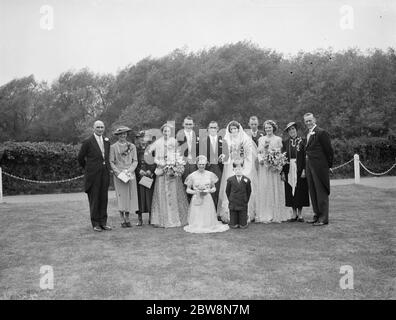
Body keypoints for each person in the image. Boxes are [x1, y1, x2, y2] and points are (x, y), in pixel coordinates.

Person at [148, 123, 189, 228]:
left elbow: (178, 155)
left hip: (172, 172)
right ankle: (163, 220)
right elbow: (156, 158)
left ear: (171, 132)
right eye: (165, 131)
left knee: (174, 194)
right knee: (162, 195)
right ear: (162, 132)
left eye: (169, 131)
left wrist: (175, 164)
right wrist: (163, 164)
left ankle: (175, 218)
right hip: (162, 172)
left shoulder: (174, 142)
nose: (167, 133)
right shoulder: (158, 143)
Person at [217, 121, 257, 223]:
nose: (233, 131)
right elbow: (225, 154)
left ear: (239, 129)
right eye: (231, 129)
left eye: (235, 128)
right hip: (231, 167)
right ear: (229, 130)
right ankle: (229, 214)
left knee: (243, 187)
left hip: (243, 166)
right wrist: (224, 157)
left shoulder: (245, 139)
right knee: (231, 187)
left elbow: (249, 154)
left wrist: (242, 162)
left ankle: (245, 214)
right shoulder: (227, 139)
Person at [77, 120, 112, 232]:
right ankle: (95, 223)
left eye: (102, 127)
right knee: (94, 199)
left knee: (103, 199)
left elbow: (106, 158)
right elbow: (80, 158)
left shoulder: (107, 141)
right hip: (93, 176)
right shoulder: (88, 141)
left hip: (104, 175)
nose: (100, 129)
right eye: (98, 127)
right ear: (94, 128)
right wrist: (89, 169)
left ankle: (103, 223)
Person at [256, 120, 291, 223]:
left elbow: (280, 154)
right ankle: (266, 213)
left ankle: (276, 213)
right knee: (266, 188)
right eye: (266, 128)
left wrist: (277, 162)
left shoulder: (278, 139)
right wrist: (262, 159)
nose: (268, 129)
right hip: (264, 168)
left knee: (274, 188)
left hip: (274, 168)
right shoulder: (261, 139)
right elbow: (259, 152)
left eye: (270, 127)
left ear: (273, 128)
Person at [184, 156, 229, 233]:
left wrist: (208, 190)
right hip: (197, 198)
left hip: (207, 198)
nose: (201, 166)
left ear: (205, 165)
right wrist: (196, 192)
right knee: (198, 214)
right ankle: (197, 225)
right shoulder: (192, 175)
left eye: (203, 164)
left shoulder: (210, 174)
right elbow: (187, 189)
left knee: (207, 214)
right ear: (197, 164)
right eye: (200, 164)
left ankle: (208, 224)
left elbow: (214, 188)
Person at [303, 113, 334, 226]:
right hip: (309, 166)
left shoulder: (321, 132)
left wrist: (329, 166)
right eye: (306, 121)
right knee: (313, 191)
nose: (308, 123)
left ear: (314, 120)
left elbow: (329, 151)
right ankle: (316, 215)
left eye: (310, 120)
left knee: (321, 192)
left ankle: (323, 218)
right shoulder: (307, 133)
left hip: (319, 167)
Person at [109, 126, 139, 228]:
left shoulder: (132, 146)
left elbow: (135, 161)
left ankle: (128, 217)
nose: (123, 135)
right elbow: (111, 162)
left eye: (125, 133)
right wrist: (119, 173)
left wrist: (129, 171)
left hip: (130, 174)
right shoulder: (113, 147)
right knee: (121, 196)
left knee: (129, 196)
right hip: (119, 175)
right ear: (117, 135)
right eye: (121, 134)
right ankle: (122, 218)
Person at [281, 122, 310, 222]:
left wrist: (304, 170)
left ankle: (300, 214)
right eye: (289, 130)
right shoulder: (285, 142)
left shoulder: (303, 141)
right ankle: (293, 214)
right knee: (290, 190)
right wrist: (283, 172)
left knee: (300, 190)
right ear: (288, 132)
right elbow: (282, 158)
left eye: (293, 129)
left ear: (296, 130)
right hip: (289, 169)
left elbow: (306, 157)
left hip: (299, 168)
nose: (292, 131)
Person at [203, 121, 224, 219]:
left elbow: (227, 155)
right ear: (208, 129)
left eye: (215, 127)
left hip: (219, 169)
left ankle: (218, 212)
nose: (213, 129)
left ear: (218, 129)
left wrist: (223, 158)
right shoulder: (203, 141)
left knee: (219, 190)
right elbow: (199, 156)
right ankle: (209, 213)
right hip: (207, 169)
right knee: (208, 190)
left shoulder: (223, 141)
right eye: (211, 127)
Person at [135, 130, 156, 226]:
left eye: (144, 138)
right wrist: (139, 170)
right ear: (138, 139)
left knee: (150, 197)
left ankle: (151, 218)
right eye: (141, 138)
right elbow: (133, 162)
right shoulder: (134, 149)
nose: (143, 140)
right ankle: (140, 219)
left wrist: (150, 170)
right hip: (139, 177)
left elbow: (156, 161)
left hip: (149, 176)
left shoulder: (152, 149)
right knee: (140, 197)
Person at [225, 160, 252, 229]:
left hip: (242, 202)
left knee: (243, 225)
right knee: (234, 225)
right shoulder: (230, 180)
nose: (238, 171)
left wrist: (245, 199)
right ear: (233, 170)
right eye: (236, 169)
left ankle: (243, 221)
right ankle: (234, 221)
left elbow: (249, 191)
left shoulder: (247, 180)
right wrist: (231, 199)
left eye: (240, 169)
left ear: (243, 169)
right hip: (233, 203)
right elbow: (227, 191)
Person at [177, 116, 199, 185]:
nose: (188, 126)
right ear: (183, 124)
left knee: (193, 181)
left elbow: (198, 149)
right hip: (183, 162)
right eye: (186, 124)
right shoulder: (179, 135)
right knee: (184, 181)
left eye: (190, 124)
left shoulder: (196, 135)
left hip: (194, 162)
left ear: (193, 124)